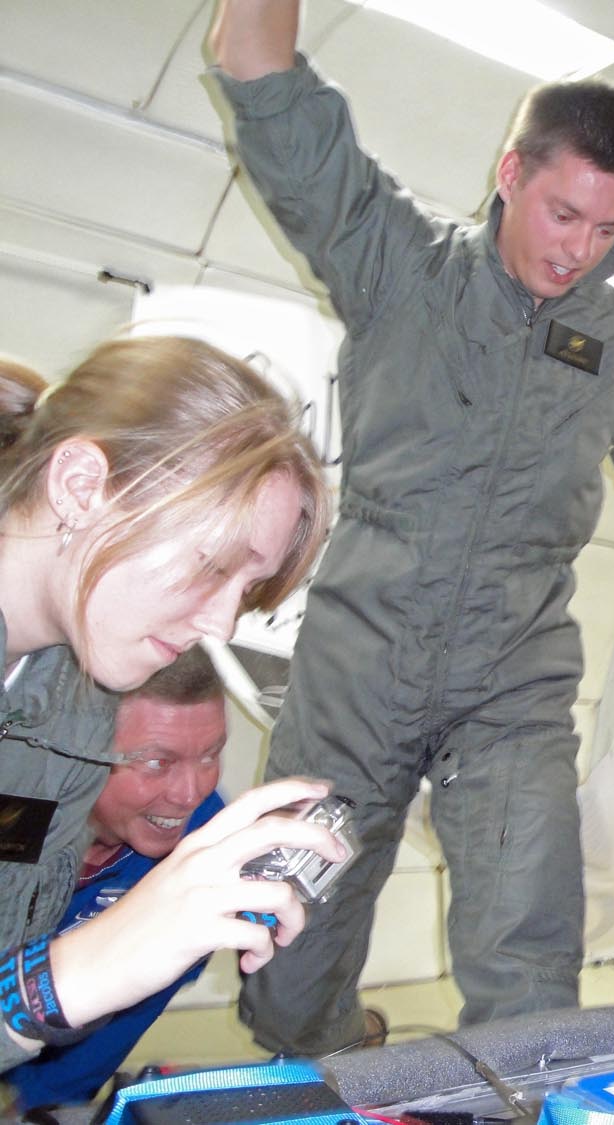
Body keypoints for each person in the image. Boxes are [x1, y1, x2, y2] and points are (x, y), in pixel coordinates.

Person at [207, 0, 614, 1054]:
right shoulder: (400, 269)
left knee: (529, 962)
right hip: (359, 671)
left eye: (608, 229)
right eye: (563, 216)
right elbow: (257, 65)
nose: (581, 251)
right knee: (283, 968)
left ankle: (518, 1091)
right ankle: (334, 1045)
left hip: (515, 680)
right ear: (511, 173)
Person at [0, 336, 340, 1075]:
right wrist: (72, 972)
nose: (220, 626)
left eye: (245, 589)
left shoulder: (73, 706)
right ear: (82, 484)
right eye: (209, 566)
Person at [7, 649, 231, 1112]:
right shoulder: (13, 819)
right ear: (80, 749)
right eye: (156, 762)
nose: (191, 792)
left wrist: (48, 1108)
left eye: (211, 755)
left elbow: (133, 1010)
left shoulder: (204, 840)